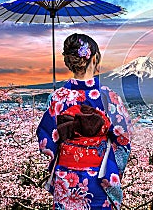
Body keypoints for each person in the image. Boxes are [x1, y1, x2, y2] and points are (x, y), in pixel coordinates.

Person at [37, 33, 131, 210]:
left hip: (66, 178)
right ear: (94, 59)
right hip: (98, 179)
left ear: (70, 61)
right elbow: (123, 138)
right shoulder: (108, 96)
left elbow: (45, 142)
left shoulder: (57, 97)